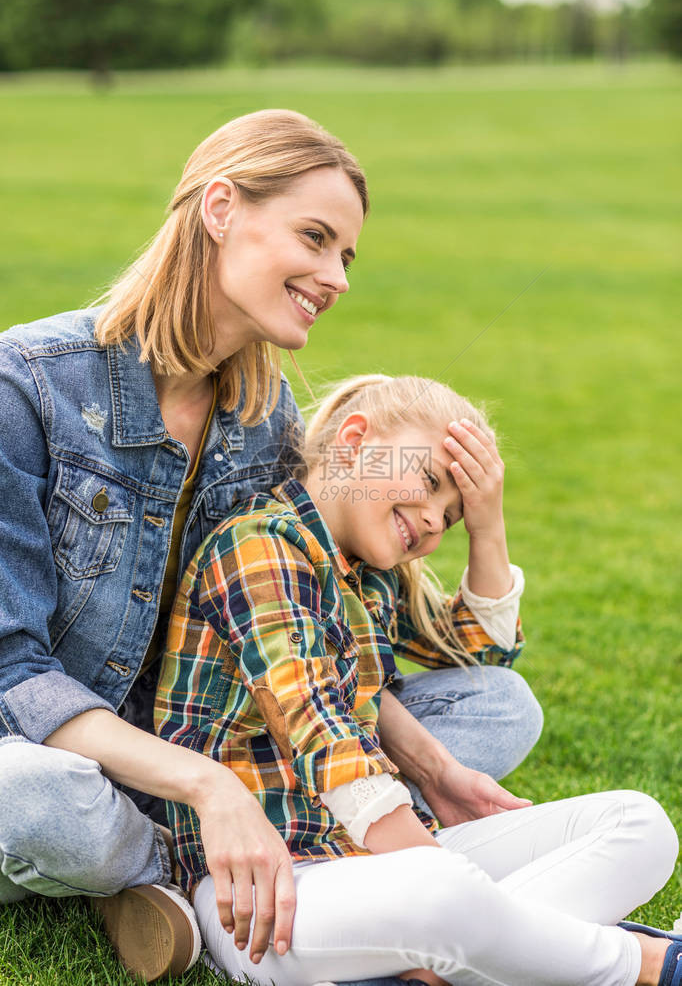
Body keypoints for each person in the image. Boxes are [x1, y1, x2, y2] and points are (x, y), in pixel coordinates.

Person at [0, 109, 540, 982]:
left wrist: (433, 764)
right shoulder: (25, 386)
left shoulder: (265, 416)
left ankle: (187, 871)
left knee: (500, 707)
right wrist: (211, 788)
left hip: (206, 728)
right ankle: (173, 877)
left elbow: (302, 628)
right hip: (64, 751)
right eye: (315, 238)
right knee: (32, 801)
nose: (335, 277)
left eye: (346, 257)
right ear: (220, 208)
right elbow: (13, 674)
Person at [155, 374, 680, 986]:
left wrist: (488, 526)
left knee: (641, 824)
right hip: (268, 893)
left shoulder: (370, 575)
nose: (433, 522)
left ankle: (433, 972)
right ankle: (646, 964)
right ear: (354, 441)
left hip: (384, 869)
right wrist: (443, 878)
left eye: (451, 519)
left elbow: (478, 650)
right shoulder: (257, 545)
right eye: (430, 482)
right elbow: (315, 723)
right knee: (444, 894)